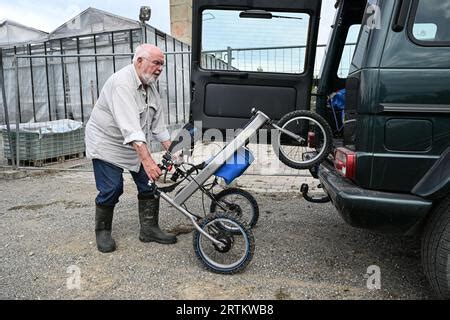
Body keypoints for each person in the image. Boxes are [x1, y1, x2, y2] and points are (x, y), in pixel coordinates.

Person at [85, 44, 176, 253]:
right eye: (156, 63)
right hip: (107, 143)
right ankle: (102, 231)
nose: (160, 68)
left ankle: (149, 230)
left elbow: (158, 127)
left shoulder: (151, 87)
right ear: (139, 61)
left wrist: (174, 152)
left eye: (162, 64)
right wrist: (148, 161)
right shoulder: (121, 84)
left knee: (149, 185)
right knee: (112, 188)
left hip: (134, 143)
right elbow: (131, 129)